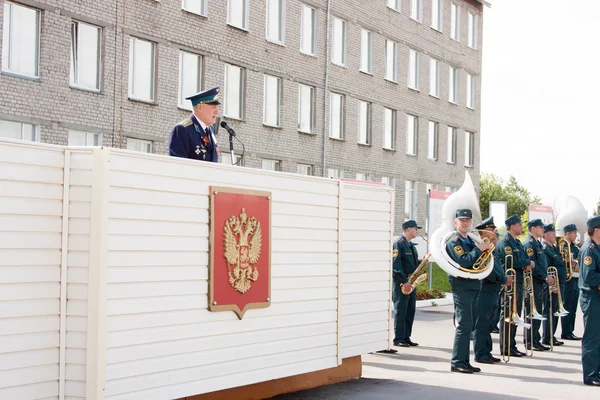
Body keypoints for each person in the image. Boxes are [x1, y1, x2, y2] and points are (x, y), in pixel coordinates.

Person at [447, 209, 490, 374]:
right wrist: (479, 249)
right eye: (462, 220)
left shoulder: (470, 240)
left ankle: (465, 361)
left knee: (470, 325)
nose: (465, 223)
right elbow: (464, 261)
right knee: (464, 325)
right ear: (455, 222)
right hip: (462, 286)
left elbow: (476, 262)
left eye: (467, 220)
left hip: (473, 285)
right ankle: (457, 361)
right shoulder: (454, 241)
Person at [473, 217, 513, 364]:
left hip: (493, 290)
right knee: (482, 324)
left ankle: (486, 351)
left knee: (489, 324)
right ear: (483, 233)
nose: (495, 232)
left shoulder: (491, 248)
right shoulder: (483, 249)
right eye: (491, 230)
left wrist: (503, 278)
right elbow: (487, 272)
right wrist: (503, 279)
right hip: (485, 291)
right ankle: (480, 353)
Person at [495, 215, 532, 357]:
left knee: (515, 315)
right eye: (519, 224)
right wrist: (527, 263)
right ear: (512, 226)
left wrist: (526, 262)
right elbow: (512, 261)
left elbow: (521, 258)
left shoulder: (516, 242)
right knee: (507, 314)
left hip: (518, 282)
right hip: (509, 283)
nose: (521, 227)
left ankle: (512, 345)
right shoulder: (505, 242)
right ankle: (505, 347)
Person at [523, 219, 553, 351]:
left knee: (538, 311)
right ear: (533, 228)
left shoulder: (537, 243)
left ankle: (535, 339)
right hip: (534, 282)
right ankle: (530, 341)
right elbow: (533, 265)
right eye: (541, 227)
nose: (543, 230)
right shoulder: (530, 244)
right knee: (532, 312)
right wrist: (545, 276)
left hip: (539, 282)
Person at [168, 87, 221, 161]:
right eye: (213, 107)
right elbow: (178, 166)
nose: (216, 112)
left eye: (217, 108)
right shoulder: (182, 130)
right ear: (200, 107)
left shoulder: (210, 130)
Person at [392, 220, 422, 347]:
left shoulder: (411, 245)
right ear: (409, 229)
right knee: (401, 310)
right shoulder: (398, 244)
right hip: (402, 283)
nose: (417, 231)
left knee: (410, 310)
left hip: (411, 282)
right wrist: (404, 281)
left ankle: (406, 336)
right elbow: (396, 264)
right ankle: (398, 338)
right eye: (416, 229)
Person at [578, 216, 600, 387]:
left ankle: (596, 371)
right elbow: (589, 277)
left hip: (597, 297)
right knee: (592, 337)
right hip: (592, 297)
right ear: (597, 230)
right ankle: (590, 375)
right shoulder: (589, 250)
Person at [541, 224, 565, 347]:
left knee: (554, 310)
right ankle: (547, 337)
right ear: (546, 235)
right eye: (553, 233)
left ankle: (551, 335)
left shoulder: (553, 248)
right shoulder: (545, 248)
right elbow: (547, 269)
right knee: (549, 310)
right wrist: (553, 285)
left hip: (558, 283)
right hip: (551, 285)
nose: (555, 235)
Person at [561, 224, 582, 341]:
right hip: (568, 279)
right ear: (567, 233)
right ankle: (565, 331)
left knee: (573, 306)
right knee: (567, 305)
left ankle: (570, 330)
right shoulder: (563, 245)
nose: (575, 235)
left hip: (575, 278)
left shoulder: (574, 247)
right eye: (573, 233)